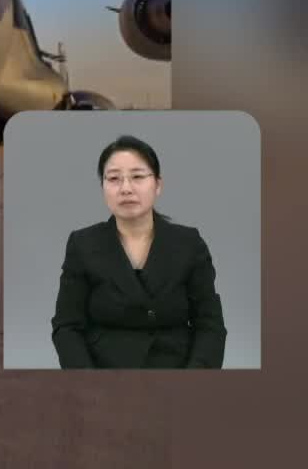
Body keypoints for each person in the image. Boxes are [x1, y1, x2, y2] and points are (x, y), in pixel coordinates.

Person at [51, 135, 227, 368]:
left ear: (158, 185)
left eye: (137, 177)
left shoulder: (189, 243)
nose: (126, 188)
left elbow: (210, 325)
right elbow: (66, 326)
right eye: (114, 178)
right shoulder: (82, 244)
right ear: (102, 187)